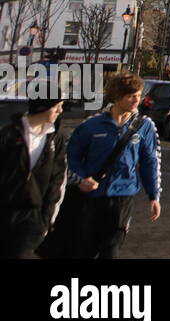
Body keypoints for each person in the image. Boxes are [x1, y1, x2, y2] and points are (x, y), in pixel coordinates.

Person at [65, 73, 161, 259]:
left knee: (111, 250)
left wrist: (153, 195)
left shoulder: (144, 126)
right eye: (130, 95)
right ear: (117, 96)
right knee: (84, 249)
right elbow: (71, 155)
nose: (136, 100)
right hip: (91, 197)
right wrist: (80, 178)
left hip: (123, 197)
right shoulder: (92, 125)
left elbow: (150, 161)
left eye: (138, 95)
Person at [0, 98, 68, 258]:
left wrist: (46, 221)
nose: (60, 111)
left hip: (31, 219)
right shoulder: (7, 134)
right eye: (57, 106)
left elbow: (57, 180)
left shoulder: (55, 138)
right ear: (42, 107)